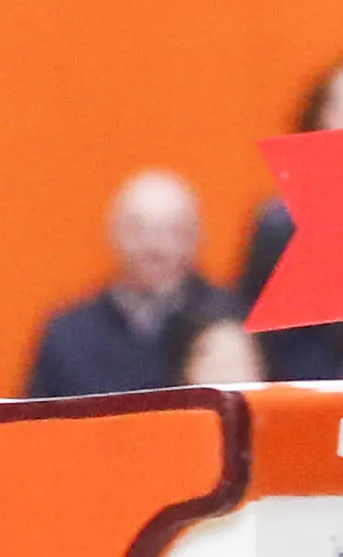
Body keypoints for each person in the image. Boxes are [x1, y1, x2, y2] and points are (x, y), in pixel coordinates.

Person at [24, 169, 218, 399]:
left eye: (173, 230)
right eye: (138, 229)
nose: (154, 246)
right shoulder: (67, 337)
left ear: (197, 238)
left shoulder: (230, 328)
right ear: (113, 234)